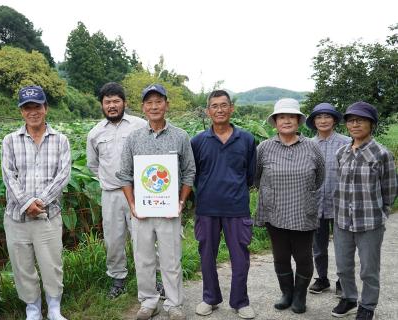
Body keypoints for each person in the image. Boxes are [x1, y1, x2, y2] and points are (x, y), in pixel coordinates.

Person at [116, 84, 196, 320]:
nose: (154, 106)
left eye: (158, 101)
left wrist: (181, 201)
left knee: (171, 260)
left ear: (167, 105)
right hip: (142, 211)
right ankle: (148, 302)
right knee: (143, 258)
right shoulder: (134, 138)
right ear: (143, 107)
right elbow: (125, 175)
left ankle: (173, 304)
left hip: (170, 211)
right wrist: (132, 205)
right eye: (149, 102)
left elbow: (189, 172)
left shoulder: (180, 136)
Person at [1, 85, 71, 320]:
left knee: (51, 264)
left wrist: (38, 202)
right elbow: (8, 175)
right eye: (27, 107)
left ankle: (53, 308)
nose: (33, 112)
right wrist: (25, 203)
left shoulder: (60, 140)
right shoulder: (10, 140)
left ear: (46, 108)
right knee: (23, 267)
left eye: (37, 106)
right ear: (21, 111)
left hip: (47, 215)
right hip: (16, 217)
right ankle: (32, 309)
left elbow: (63, 175)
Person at [254, 98, 325, 314]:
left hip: (303, 211)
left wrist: (303, 193)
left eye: (291, 116)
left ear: (298, 121)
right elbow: (257, 178)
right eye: (281, 117)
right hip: (274, 212)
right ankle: (286, 293)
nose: (286, 121)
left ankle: (300, 296)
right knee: (281, 256)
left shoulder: (312, 147)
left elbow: (319, 178)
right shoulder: (264, 148)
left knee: (303, 257)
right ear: (275, 122)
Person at [191, 90, 256, 319]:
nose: (219, 110)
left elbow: (250, 175)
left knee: (240, 258)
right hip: (206, 208)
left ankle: (240, 301)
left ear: (231, 108)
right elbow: (194, 175)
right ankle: (210, 298)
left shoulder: (246, 139)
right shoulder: (198, 141)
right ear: (208, 111)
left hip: (237, 208)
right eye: (214, 106)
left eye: (223, 105)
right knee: (207, 256)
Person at [331, 102, 397, 320]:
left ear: (371, 124)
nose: (355, 124)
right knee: (343, 265)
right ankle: (349, 298)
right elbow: (338, 184)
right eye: (350, 120)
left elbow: (389, 189)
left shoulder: (381, 154)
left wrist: (381, 211)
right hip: (341, 220)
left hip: (370, 222)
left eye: (360, 120)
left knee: (369, 269)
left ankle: (367, 305)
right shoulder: (341, 152)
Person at [86, 82, 147, 298]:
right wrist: (109, 178)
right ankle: (117, 278)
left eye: (116, 101)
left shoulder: (140, 125)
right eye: (107, 102)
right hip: (111, 194)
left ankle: (151, 278)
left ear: (124, 103)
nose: (112, 105)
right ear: (102, 105)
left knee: (144, 237)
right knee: (113, 239)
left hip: (140, 193)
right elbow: (93, 165)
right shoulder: (95, 133)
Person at [306, 103, 351, 296]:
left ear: (334, 120)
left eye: (327, 117)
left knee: (343, 246)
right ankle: (322, 279)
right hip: (316, 204)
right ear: (314, 122)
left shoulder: (347, 142)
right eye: (318, 117)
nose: (323, 121)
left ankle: (343, 281)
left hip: (341, 204)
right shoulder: (308, 144)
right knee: (318, 247)